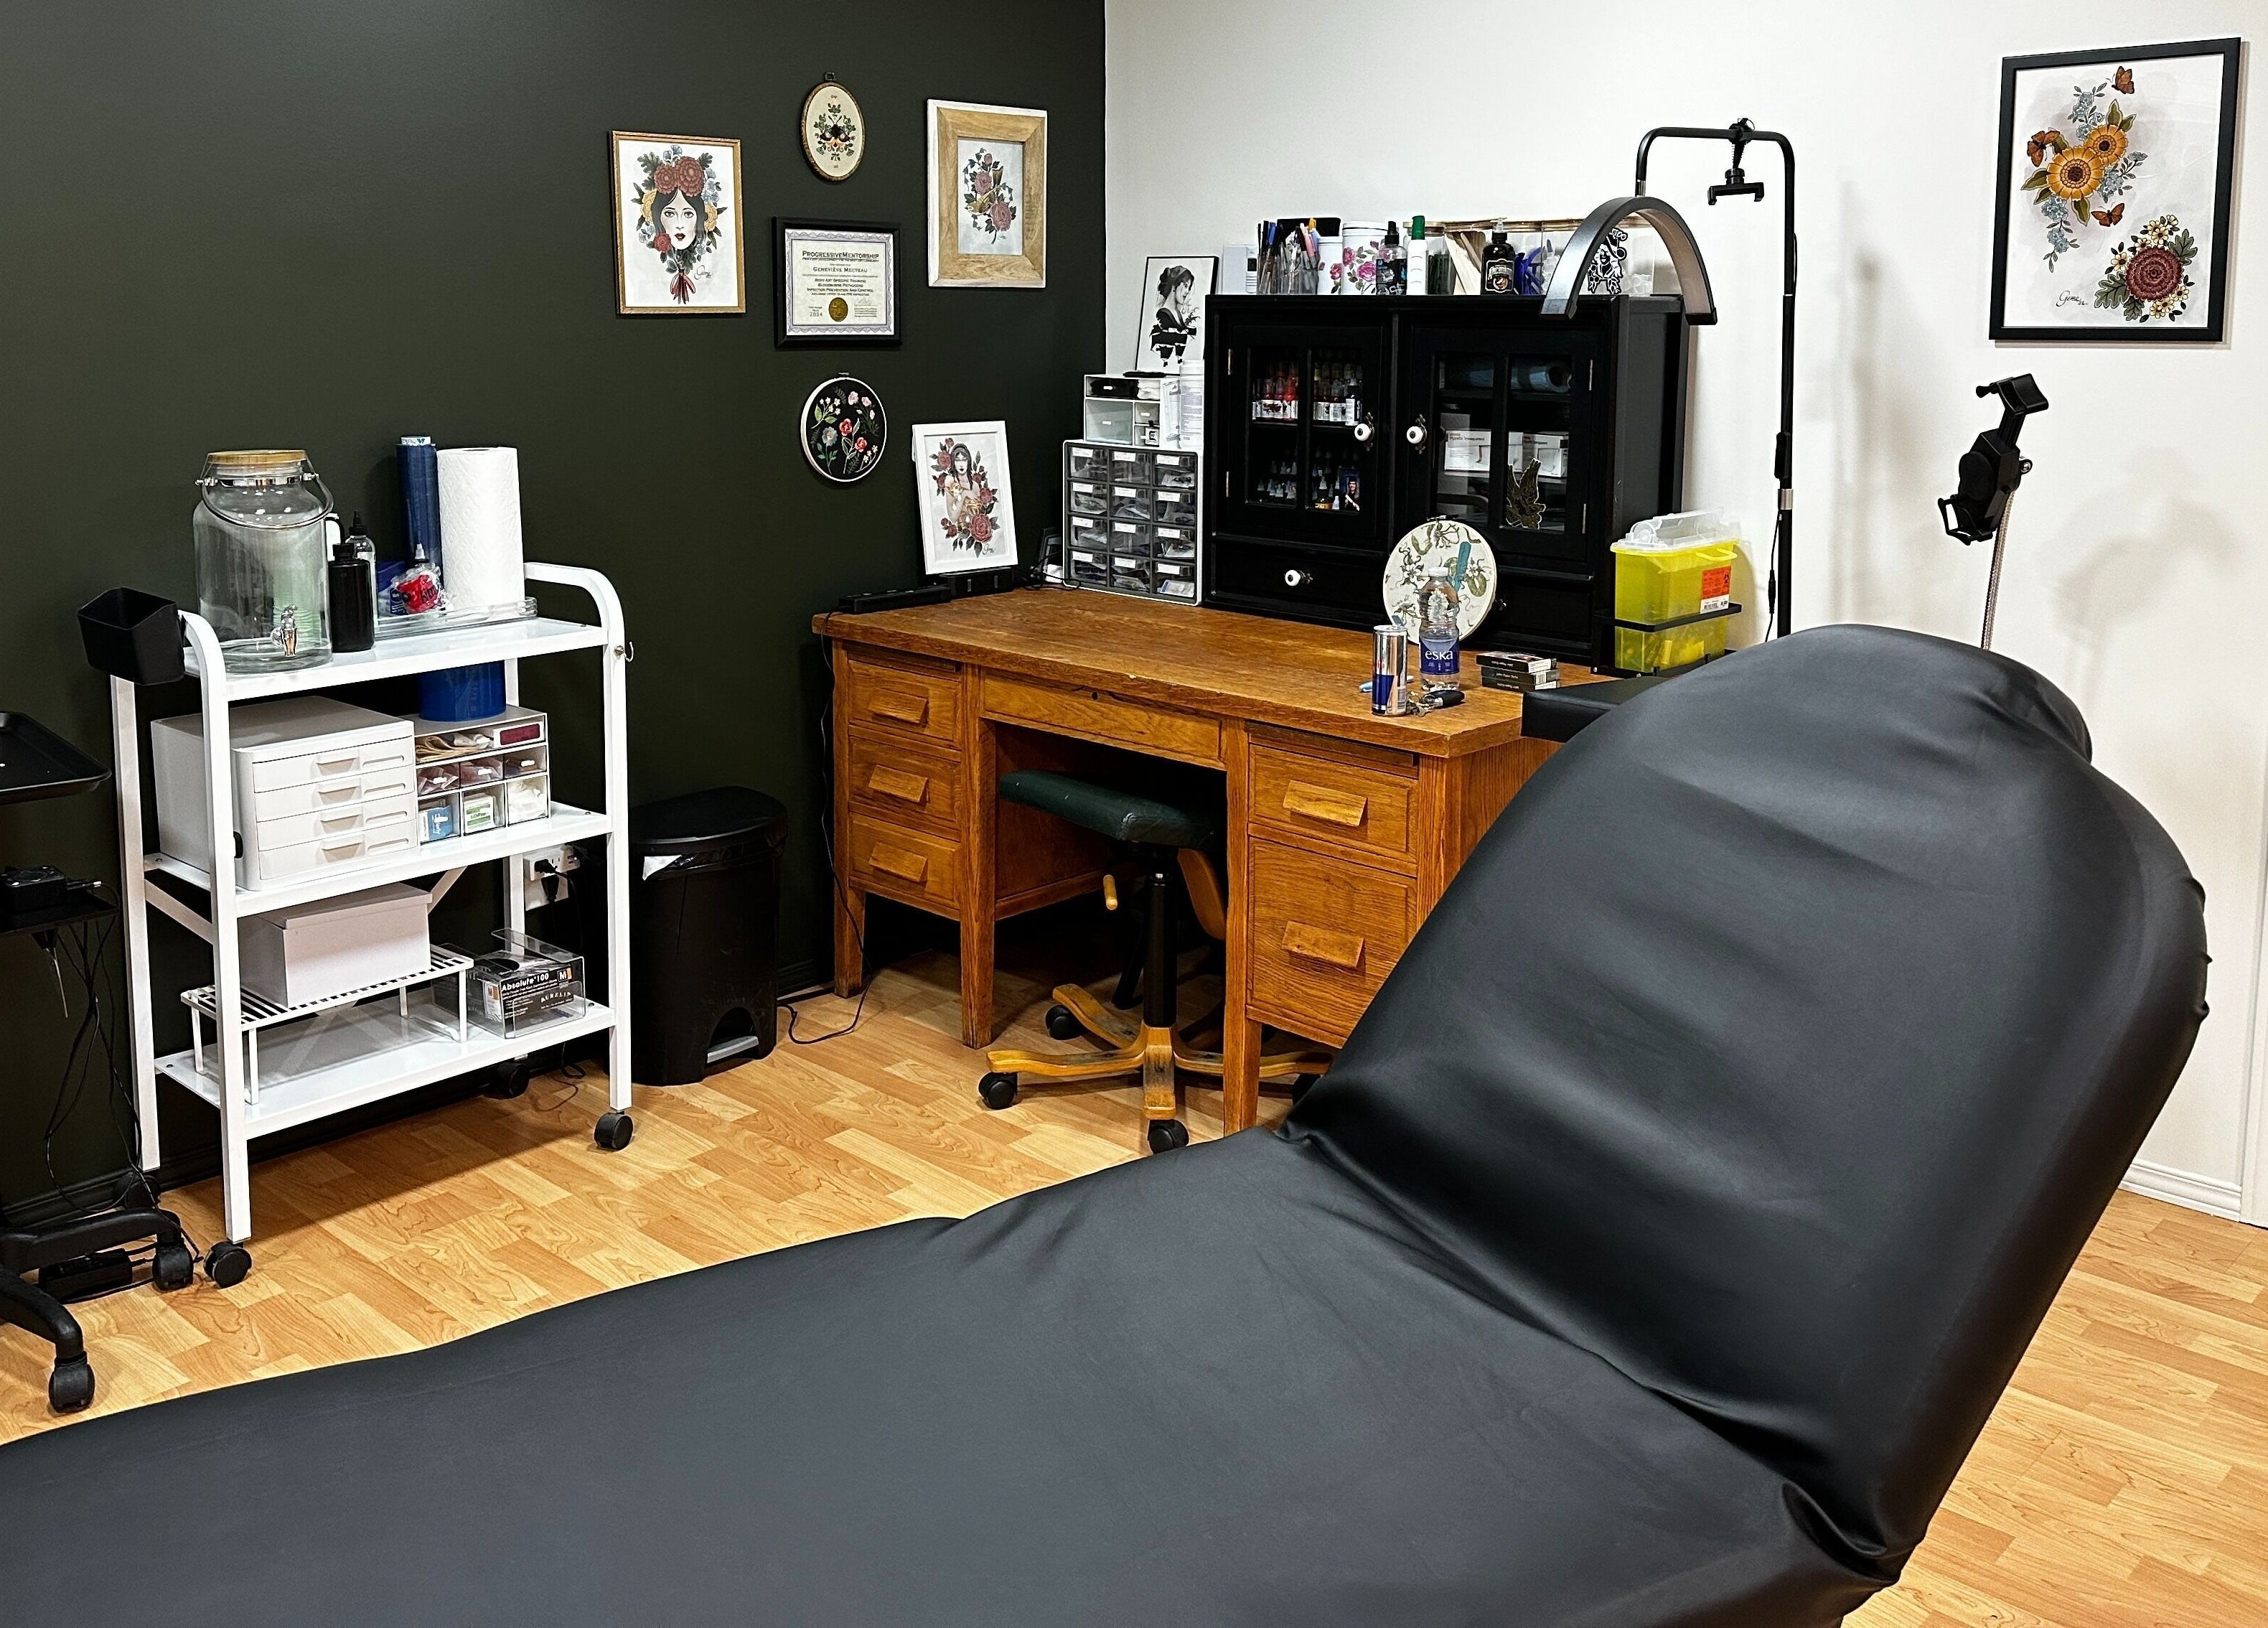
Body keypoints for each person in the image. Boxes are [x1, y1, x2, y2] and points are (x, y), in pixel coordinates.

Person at [1148, 265, 1199, 365]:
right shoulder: (1163, 314)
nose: (1187, 292)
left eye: (1189, 288)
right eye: (1185, 285)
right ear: (1174, 287)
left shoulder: (1178, 313)